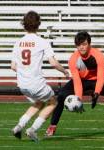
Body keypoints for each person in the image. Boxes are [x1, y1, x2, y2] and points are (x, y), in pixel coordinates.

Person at [11, 11, 69, 142]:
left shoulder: (18, 43)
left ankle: (19, 126)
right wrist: (65, 72)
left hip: (22, 84)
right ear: (38, 24)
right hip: (35, 82)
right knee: (54, 102)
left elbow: (13, 66)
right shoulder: (42, 42)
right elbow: (53, 63)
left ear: (24, 24)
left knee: (39, 102)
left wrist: (24, 71)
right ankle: (33, 129)